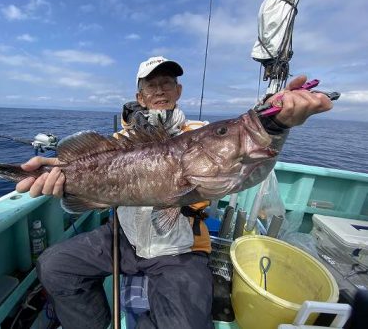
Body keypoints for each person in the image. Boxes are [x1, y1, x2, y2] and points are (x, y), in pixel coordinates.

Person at [16, 56, 332, 329]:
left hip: (182, 251)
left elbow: (250, 169)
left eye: (167, 83)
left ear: (178, 91)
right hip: (123, 240)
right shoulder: (119, 141)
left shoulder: (199, 133)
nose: (160, 90)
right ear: (140, 96)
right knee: (54, 265)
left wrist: (274, 125)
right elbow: (84, 165)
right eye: (151, 85)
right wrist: (55, 172)